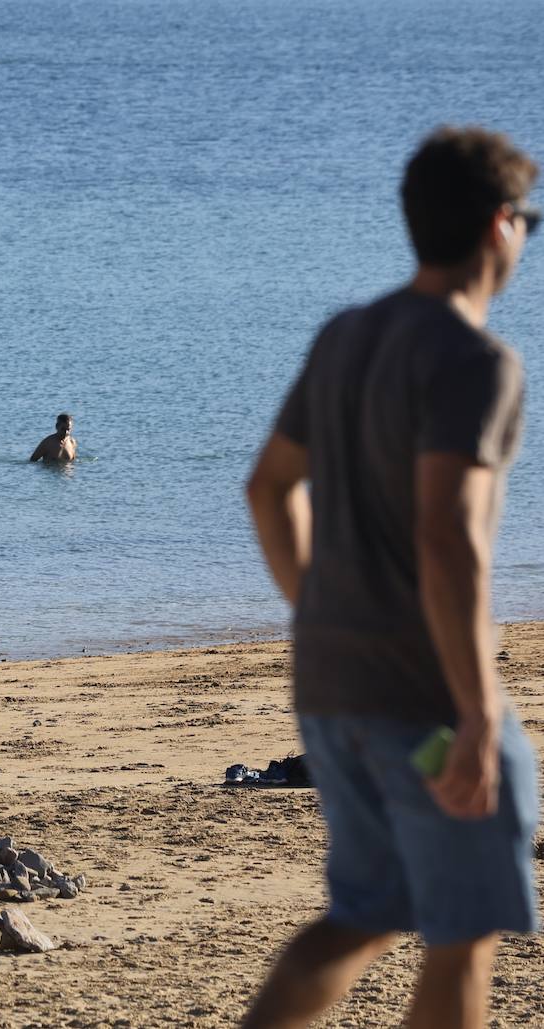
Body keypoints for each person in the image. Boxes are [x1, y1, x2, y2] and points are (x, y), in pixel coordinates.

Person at [243, 126, 539, 1029]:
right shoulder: (475, 361)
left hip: (331, 684)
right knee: (464, 930)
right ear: (498, 225)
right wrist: (481, 710)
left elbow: (268, 489)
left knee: (367, 912)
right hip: (425, 700)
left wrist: (321, 607)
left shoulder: (345, 335)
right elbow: (448, 536)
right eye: (529, 218)